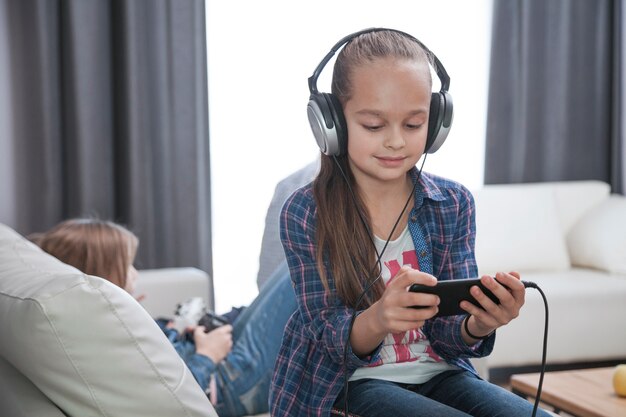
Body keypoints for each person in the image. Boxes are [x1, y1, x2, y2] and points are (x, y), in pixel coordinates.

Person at [270, 28, 552, 416]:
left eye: (413, 125)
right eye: (374, 125)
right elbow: (325, 337)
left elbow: (449, 337)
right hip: (350, 383)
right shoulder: (305, 213)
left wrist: (480, 324)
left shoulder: (452, 203)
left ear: (436, 123)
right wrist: (380, 317)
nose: (396, 142)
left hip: (439, 372)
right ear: (331, 122)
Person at [32, 218, 296, 417]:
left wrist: (181, 330)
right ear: (102, 274)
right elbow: (170, 396)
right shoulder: (108, 339)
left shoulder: (106, 323)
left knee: (286, 281)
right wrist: (207, 355)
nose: (135, 274)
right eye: (127, 266)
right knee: (310, 259)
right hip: (225, 384)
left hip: (215, 355)